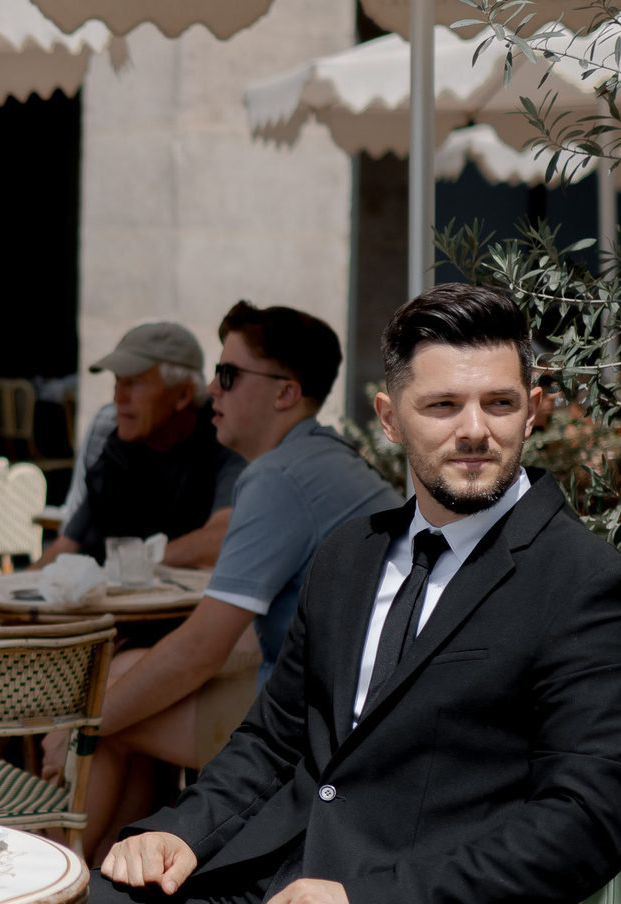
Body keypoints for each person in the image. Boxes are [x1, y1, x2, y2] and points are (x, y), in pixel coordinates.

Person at [1, 284, 621, 904]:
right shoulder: (351, 554)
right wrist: (182, 831)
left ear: (532, 408)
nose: (475, 430)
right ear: (389, 418)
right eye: (443, 406)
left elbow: (585, 820)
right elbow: (272, 738)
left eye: (499, 404)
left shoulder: (590, 587)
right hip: (260, 889)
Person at [48, 303, 399, 861]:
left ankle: (59, 898)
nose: (212, 389)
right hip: (357, 703)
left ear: (286, 393)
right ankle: (109, 881)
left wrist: (78, 729)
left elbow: (200, 649)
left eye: (229, 375)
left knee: (108, 719)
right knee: (121, 683)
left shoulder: (278, 477)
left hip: (321, 727)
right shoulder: (324, 457)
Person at [40, 320, 243, 571]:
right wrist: (5, 592)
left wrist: (129, 565)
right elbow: (66, 546)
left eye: (134, 383)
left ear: (183, 395)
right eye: (117, 381)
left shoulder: (223, 440)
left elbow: (222, 540)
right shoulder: (118, 443)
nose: (118, 397)